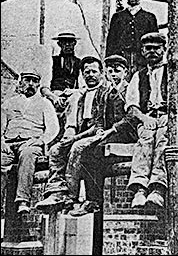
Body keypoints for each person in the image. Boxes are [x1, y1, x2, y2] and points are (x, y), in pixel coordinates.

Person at [64, 55, 139, 216]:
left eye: (117, 71)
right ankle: (90, 200)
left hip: (127, 132)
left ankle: (94, 199)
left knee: (96, 151)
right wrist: (99, 131)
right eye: (110, 71)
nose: (114, 75)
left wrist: (112, 130)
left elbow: (132, 116)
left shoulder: (129, 89)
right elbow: (99, 117)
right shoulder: (105, 92)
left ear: (125, 72)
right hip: (110, 133)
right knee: (89, 153)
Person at [125, 32, 178, 209]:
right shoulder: (137, 76)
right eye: (148, 48)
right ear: (142, 51)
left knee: (164, 136)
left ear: (164, 49)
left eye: (157, 48)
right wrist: (144, 118)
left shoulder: (176, 71)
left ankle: (157, 188)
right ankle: (139, 189)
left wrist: (171, 118)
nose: (152, 52)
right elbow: (131, 108)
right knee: (145, 139)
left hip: (168, 118)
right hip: (148, 118)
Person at [35, 56, 108, 211]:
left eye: (94, 71)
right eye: (86, 72)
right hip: (84, 134)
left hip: (99, 134)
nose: (90, 75)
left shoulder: (105, 93)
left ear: (101, 73)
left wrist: (75, 138)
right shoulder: (81, 96)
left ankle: (70, 196)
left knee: (76, 148)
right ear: (82, 75)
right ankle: (56, 191)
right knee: (55, 150)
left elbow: (98, 126)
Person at [1, 68, 59, 214]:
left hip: (31, 143)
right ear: (21, 83)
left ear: (39, 85)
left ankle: (22, 200)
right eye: (27, 80)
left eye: (35, 81)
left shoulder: (45, 103)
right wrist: (2, 142)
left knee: (27, 155)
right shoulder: (10, 103)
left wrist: (40, 140)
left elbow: (53, 128)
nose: (31, 84)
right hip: (9, 144)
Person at [105, 0, 159, 81]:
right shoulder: (117, 17)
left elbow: (155, 42)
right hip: (122, 60)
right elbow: (111, 42)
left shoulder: (149, 17)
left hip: (142, 61)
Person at [41, 32, 82, 111]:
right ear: (59, 44)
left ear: (74, 43)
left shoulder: (79, 62)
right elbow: (44, 87)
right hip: (55, 94)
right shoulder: (52, 61)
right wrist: (54, 97)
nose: (67, 45)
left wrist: (73, 91)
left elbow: (83, 86)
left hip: (73, 94)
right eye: (64, 42)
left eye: (70, 42)